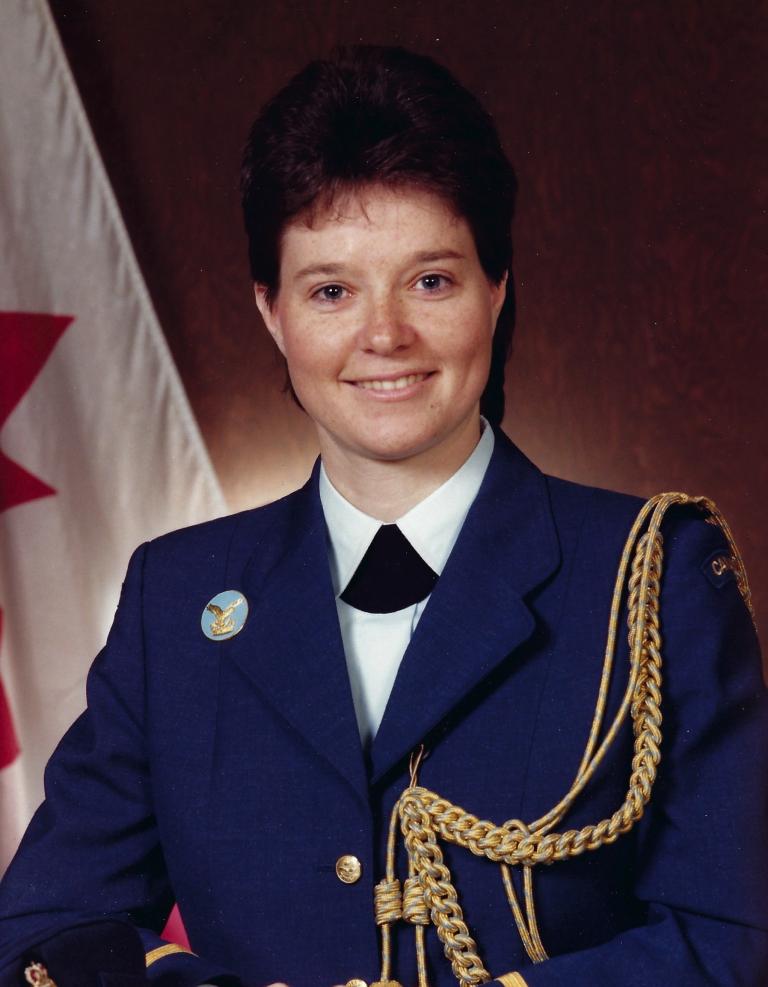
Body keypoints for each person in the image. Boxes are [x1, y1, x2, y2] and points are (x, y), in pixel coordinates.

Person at [0, 44, 766, 987]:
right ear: (272, 313)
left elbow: (736, 938)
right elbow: (43, 927)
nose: (384, 335)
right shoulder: (180, 599)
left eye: (431, 280)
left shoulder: (652, 577)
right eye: (330, 290)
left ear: (496, 289)